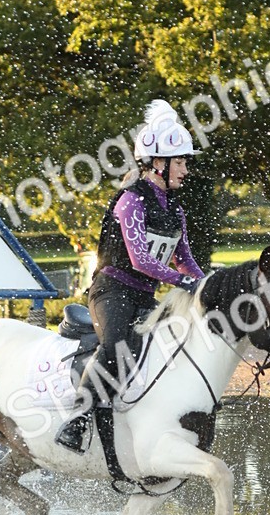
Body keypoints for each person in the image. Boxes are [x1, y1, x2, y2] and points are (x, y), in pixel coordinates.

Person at [55, 100, 206, 454]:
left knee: (173, 343)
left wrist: (207, 284)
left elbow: (184, 259)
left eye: (185, 162)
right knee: (114, 346)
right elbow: (140, 261)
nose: (186, 170)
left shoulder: (176, 210)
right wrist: (184, 283)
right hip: (111, 291)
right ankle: (77, 420)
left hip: (143, 297)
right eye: (181, 162)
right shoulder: (130, 201)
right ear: (158, 163)